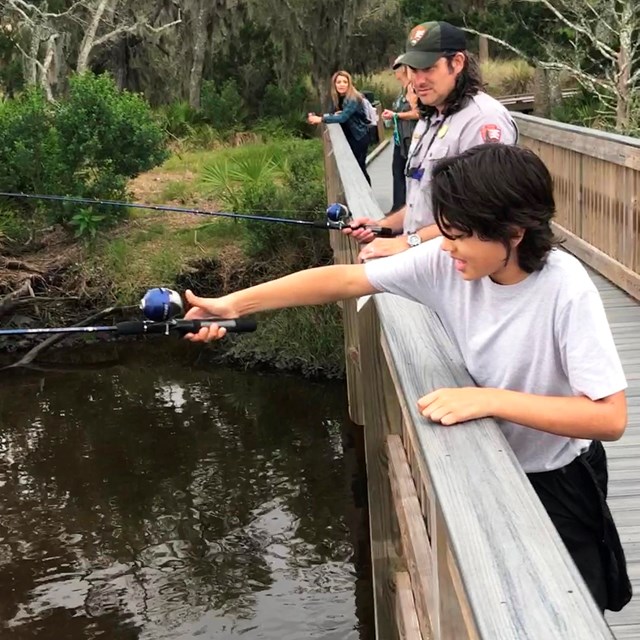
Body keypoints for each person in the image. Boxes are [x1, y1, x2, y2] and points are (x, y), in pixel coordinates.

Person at [182, 144, 631, 614]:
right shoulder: (447, 261)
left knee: (570, 610)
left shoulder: (566, 289)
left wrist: (492, 401)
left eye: (459, 235)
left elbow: (609, 416)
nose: (448, 246)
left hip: (557, 478)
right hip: (485, 466)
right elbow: (344, 281)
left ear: (514, 233)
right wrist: (234, 303)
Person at [347, 21, 518, 262]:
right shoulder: (432, 115)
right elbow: (423, 204)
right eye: (413, 70)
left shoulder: (483, 119)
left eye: (428, 68)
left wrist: (407, 242)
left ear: (457, 63)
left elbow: (481, 213)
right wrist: (381, 226)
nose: (418, 80)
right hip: (426, 265)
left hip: (461, 270)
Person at [307, 70, 371, 185]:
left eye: (345, 82)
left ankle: (367, 197)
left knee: (359, 168)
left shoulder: (353, 98)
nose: (341, 84)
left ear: (349, 84)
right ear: (334, 84)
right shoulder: (339, 98)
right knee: (352, 168)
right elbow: (341, 114)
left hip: (358, 138)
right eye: (338, 82)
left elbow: (343, 118)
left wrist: (320, 119)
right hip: (350, 137)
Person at [382, 57, 420, 215]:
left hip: (410, 137)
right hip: (399, 137)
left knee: (412, 172)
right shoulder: (402, 90)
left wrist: (396, 115)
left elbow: (418, 113)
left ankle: (411, 208)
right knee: (397, 171)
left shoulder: (413, 88)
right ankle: (398, 207)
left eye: (398, 67)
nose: (395, 71)